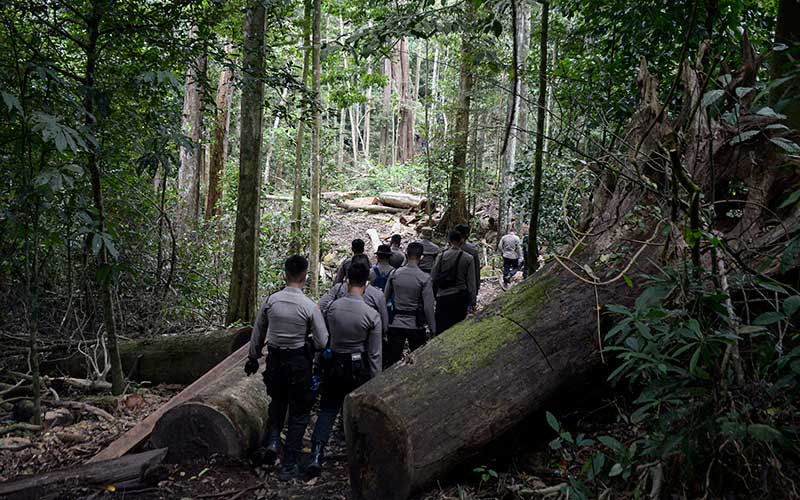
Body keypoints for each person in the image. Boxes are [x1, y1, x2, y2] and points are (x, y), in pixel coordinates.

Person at [244, 256, 328, 479]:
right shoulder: (309, 306)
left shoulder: (272, 301)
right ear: (305, 276)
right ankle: (289, 465)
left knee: (278, 402)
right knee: (299, 413)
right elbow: (322, 341)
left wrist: (253, 356)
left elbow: (258, 330)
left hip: (274, 360)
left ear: (284, 274)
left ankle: (272, 442)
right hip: (298, 362)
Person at [307, 262, 382, 477]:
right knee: (358, 412)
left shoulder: (332, 308)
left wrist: (319, 363)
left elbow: (323, 338)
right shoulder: (371, 315)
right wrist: (376, 381)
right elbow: (375, 354)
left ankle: (316, 454)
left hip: (333, 364)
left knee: (328, 409)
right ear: (366, 284)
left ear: (347, 281)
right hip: (358, 368)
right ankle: (359, 459)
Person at [383, 242, 436, 367]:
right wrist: (433, 329)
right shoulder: (424, 278)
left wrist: (384, 324)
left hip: (395, 323)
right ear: (421, 257)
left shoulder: (395, 274)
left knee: (392, 362)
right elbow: (428, 307)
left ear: (406, 255)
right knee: (418, 363)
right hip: (416, 325)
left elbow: (384, 299)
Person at [431, 230, 476, 334]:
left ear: (449, 241)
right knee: (457, 328)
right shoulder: (468, 258)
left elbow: (433, 277)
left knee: (441, 328)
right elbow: (471, 283)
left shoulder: (441, 256)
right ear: (461, 241)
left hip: (442, 297)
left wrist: (434, 296)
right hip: (460, 298)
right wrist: (472, 301)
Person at [455, 223, 481, 310]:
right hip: (466, 289)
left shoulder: (446, 252)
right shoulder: (472, 250)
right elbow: (476, 272)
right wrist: (475, 291)